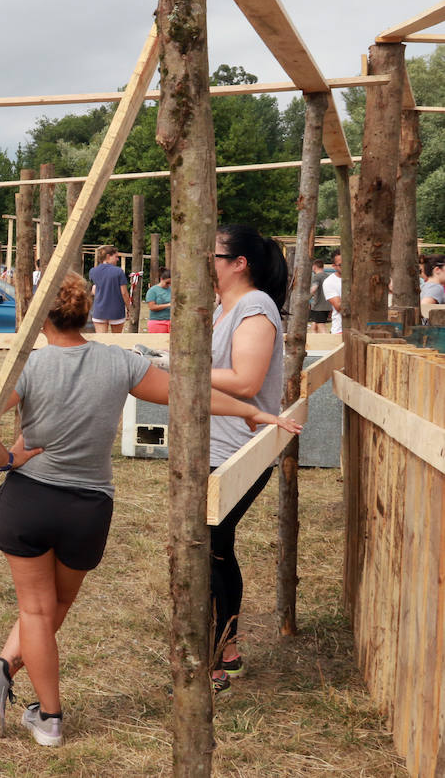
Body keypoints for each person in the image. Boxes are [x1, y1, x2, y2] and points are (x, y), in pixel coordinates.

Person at [0, 272, 299, 746]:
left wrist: (9, 459)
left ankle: (48, 716)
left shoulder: (30, 367)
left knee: (36, 612)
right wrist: (250, 411)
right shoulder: (119, 361)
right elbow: (190, 394)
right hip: (88, 508)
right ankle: (8, 673)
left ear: (40, 318)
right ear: (86, 313)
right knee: (55, 607)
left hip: (29, 501)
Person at [206, 224, 289, 692]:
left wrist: (179, 365)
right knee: (216, 549)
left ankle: (219, 656)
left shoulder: (256, 306)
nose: (206, 263)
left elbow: (246, 382)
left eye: (213, 255)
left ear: (240, 263)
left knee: (211, 550)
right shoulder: (225, 306)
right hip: (217, 447)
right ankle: (226, 648)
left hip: (237, 450)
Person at [88, 245, 129, 333]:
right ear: (108, 256)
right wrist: (129, 308)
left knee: (102, 341)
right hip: (116, 311)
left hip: (99, 311)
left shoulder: (93, 271)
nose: (117, 259)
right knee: (116, 340)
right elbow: (124, 293)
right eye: (116, 257)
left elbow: (94, 290)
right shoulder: (118, 271)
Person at [144, 268, 172, 333]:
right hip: (157, 322)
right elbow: (152, 307)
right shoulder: (153, 291)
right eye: (167, 283)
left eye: (170, 283)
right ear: (161, 279)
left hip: (170, 322)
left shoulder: (171, 289)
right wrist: (168, 305)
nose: (169, 285)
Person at [322, 250, 344, 334]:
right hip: (341, 330)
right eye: (341, 265)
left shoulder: (359, 277)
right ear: (334, 266)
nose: (346, 266)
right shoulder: (329, 282)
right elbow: (339, 307)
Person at [307, 258, 331, 333]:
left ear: (314, 267)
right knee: (314, 326)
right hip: (327, 305)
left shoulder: (317, 277)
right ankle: (314, 342)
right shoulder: (328, 276)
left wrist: (306, 298)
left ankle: (326, 342)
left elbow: (314, 289)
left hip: (318, 307)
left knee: (321, 326)